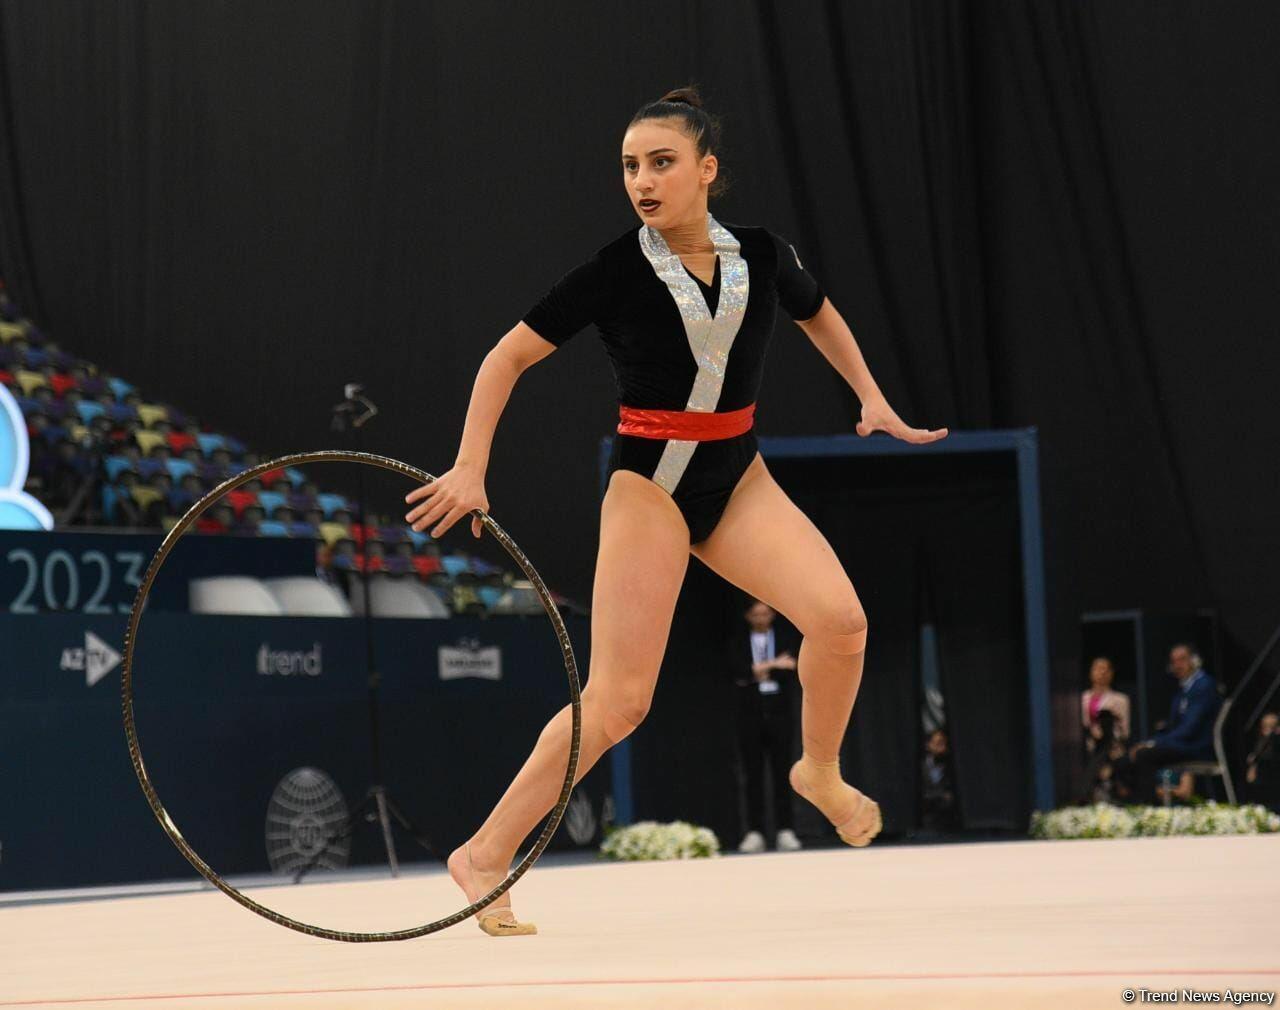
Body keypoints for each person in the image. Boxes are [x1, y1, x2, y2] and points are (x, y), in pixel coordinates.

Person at [403, 85, 948, 936]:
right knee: (619, 702)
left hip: (737, 477)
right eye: (630, 166)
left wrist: (870, 396)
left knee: (843, 623)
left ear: (707, 169)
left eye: (661, 163)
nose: (643, 181)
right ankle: (484, 852)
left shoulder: (763, 254)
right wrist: (471, 467)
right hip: (650, 486)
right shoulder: (617, 269)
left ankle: (818, 769)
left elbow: (818, 313)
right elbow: (504, 358)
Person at [729, 598, 803, 853]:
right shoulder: (739, 641)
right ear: (748, 616)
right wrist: (772, 664)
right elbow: (738, 672)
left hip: (780, 713)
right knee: (752, 774)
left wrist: (759, 670)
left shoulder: (785, 638)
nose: (761, 619)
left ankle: (786, 829)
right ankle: (755, 831)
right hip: (750, 715)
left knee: (783, 772)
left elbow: (791, 668)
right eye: (756, 615)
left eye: (766, 614)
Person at [1114, 643, 1221, 804]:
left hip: (1196, 746)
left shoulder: (1203, 686)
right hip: (1181, 743)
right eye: (1174, 661)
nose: (1177, 665)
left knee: (1145, 755)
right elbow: (1172, 727)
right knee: (1125, 760)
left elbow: (1189, 729)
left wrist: (1153, 744)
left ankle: (1149, 805)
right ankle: (1135, 802)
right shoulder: (1183, 690)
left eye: (1182, 660)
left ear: (1195, 660)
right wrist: (1150, 742)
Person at [1079, 656, 1130, 802]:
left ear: (1111, 673)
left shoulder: (1121, 700)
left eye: (1105, 669)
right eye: (1097, 668)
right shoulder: (1082, 698)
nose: (1102, 672)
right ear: (1090, 672)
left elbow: (1125, 731)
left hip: (1110, 749)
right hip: (1086, 749)